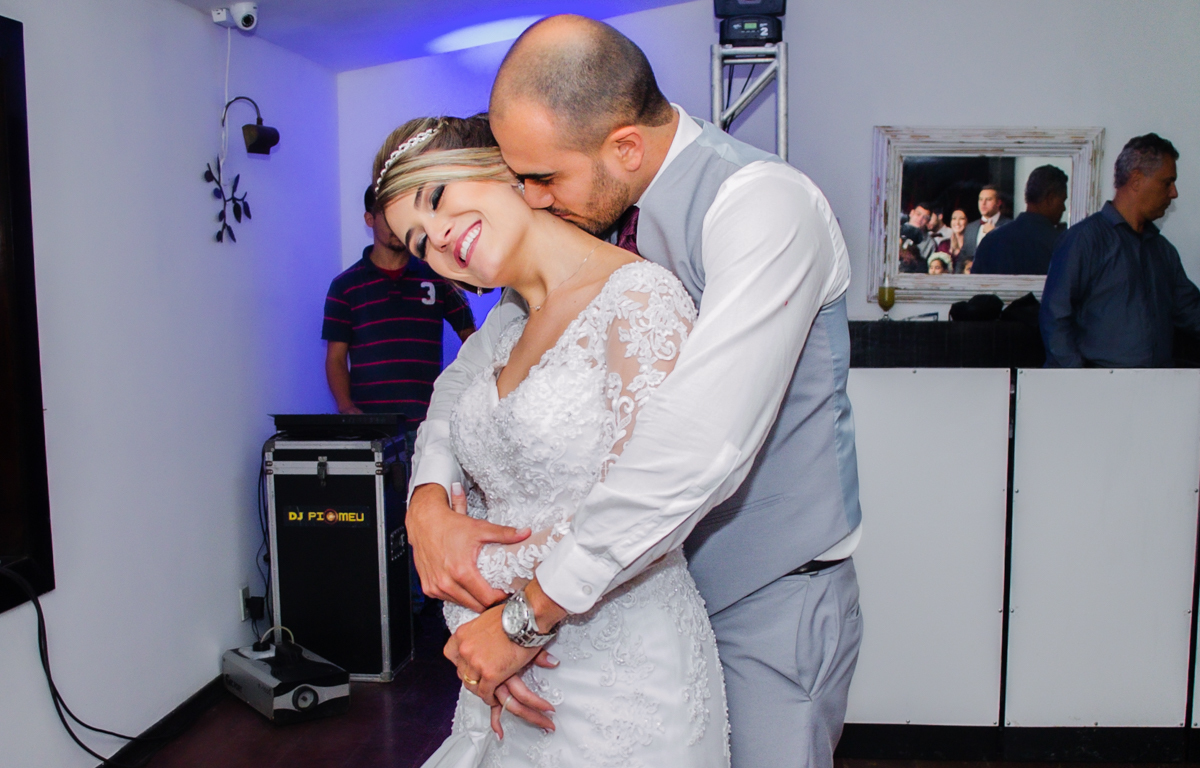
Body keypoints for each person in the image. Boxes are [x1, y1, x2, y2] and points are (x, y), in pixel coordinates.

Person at [405, 15, 862, 768]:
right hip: (617, 605)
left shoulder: (764, 206)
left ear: (624, 146)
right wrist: (427, 496)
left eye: (544, 178)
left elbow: (697, 445)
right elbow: (462, 387)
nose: (536, 201)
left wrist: (524, 620)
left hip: (766, 599)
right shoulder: (595, 226)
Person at [378, 115, 729, 765]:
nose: (439, 237)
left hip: (622, 681)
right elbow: (447, 425)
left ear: (504, 165)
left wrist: (479, 588)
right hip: (500, 680)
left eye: (438, 197)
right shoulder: (502, 332)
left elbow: (647, 510)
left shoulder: (639, 299)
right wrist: (427, 505)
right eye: (418, 241)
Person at [1041, 133, 1200, 367]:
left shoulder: (1163, 251)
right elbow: (1055, 317)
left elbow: (1191, 311)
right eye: (1167, 182)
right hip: (1098, 391)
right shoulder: (1084, 240)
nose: (1173, 193)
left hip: (1157, 391)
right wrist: (1079, 380)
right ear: (1136, 179)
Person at [322, 184, 476, 422]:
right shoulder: (345, 286)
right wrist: (346, 407)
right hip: (371, 425)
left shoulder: (438, 276)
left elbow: (472, 338)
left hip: (430, 421)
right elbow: (335, 358)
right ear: (369, 219)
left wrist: (464, 394)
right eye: (387, 214)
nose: (396, 223)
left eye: (401, 213)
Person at [972, 165, 1068, 275]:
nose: (1063, 208)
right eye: (1062, 201)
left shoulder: (991, 241)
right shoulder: (1059, 246)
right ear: (1050, 198)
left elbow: (977, 287)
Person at [958, 185, 1011, 271]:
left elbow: (1010, 254)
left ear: (998, 203)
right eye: (980, 199)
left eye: (988, 199)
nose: (983, 203)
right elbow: (962, 258)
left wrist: (995, 233)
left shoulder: (1009, 225)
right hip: (973, 279)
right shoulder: (970, 228)